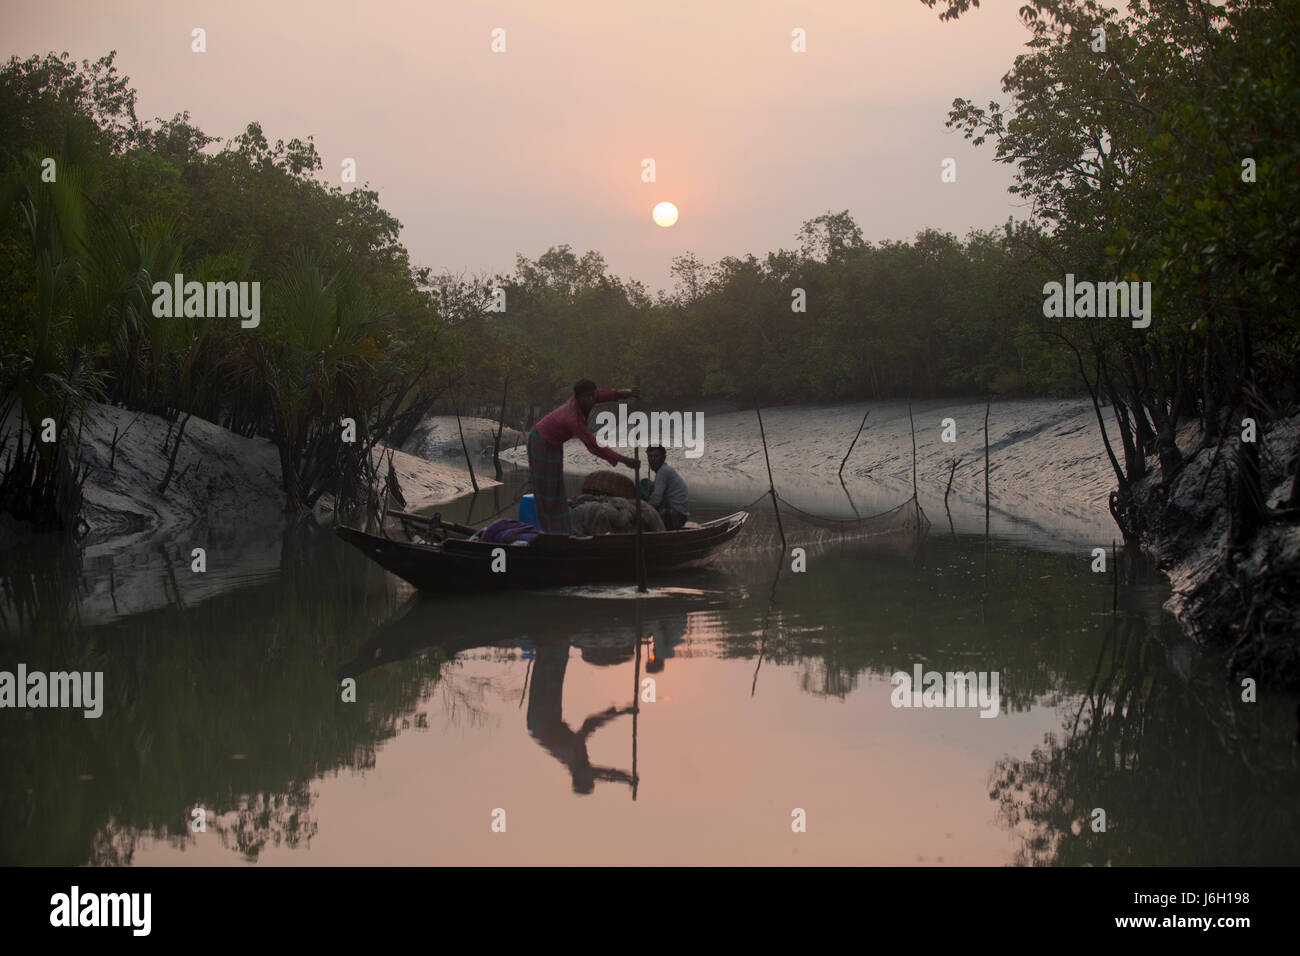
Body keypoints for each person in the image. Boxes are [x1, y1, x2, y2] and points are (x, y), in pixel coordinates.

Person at [528, 379, 640, 533]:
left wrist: (626, 393)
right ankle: (549, 531)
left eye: (592, 395)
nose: (591, 399)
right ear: (578, 398)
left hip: (554, 443)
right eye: (587, 397)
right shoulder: (572, 418)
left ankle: (561, 529)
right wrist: (623, 459)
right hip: (541, 441)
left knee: (556, 487)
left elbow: (603, 395)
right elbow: (593, 445)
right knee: (546, 491)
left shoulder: (589, 399)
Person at [642, 444, 689, 530]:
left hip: (675, 516)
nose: (652, 459)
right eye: (650, 456)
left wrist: (644, 511)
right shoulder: (664, 470)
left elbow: (656, 498)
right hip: (679, 515)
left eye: (656, 456)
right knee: (645, 483)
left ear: (663, 458)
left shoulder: (663, 471)